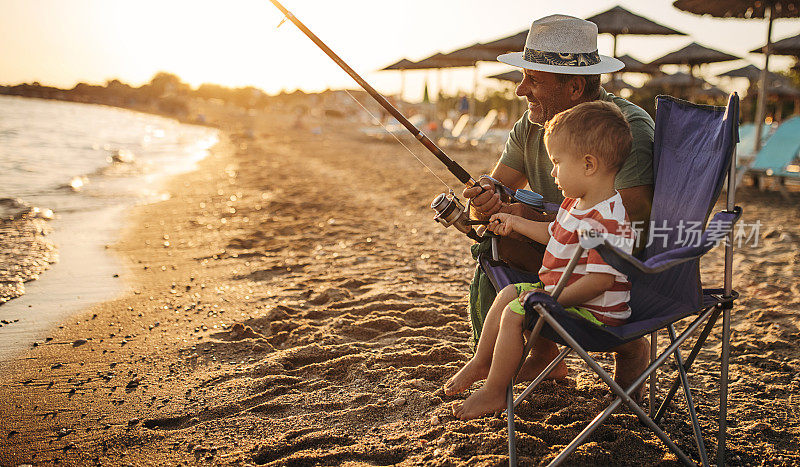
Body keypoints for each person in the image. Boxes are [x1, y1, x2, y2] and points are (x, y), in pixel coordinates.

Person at [463, 14, 652, 391]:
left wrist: (533, 213)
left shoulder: (624, 130)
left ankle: (608, 349)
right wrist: (486, 199)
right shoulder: (532, 124)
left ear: (575, 88)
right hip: (561, 252)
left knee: (501, 243)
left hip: (613, 270)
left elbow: (630, 220)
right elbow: (492, 193)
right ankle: (535, 357)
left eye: (533, 79)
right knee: (491, 241)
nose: (520, 91)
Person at [448, 101, 637, 419]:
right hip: (566, 297)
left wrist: (549, 299)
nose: (552, 172)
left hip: (593, 314)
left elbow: (602, 280)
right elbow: (556, 234)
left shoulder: (608, 221)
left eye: (557, 162)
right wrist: (517, 223)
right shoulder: (578, 202)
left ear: (588, 165)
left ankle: (495, 392)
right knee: (509, 293)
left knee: (514, 312)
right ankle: (483, 360)